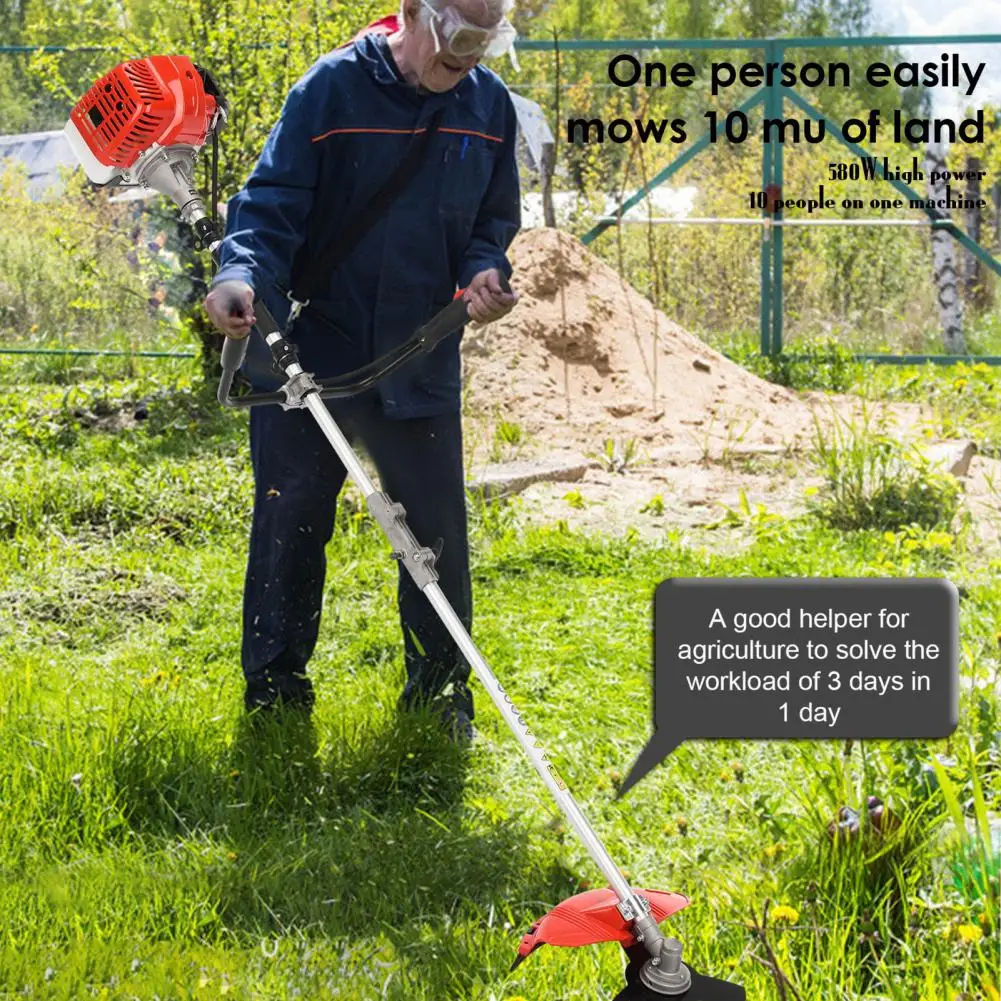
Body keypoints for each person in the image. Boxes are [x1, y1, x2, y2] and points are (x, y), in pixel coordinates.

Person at [204, 0, 521, 736]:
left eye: (485, 39)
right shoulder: (330, 88)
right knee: (290, 522)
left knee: (435, 536)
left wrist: (483, 272)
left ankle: (440, 699)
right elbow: (269, 206)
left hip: (420, 360)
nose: (468, 55)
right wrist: (239, 277)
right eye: (457, 37)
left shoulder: (489, 104)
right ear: (412, 11)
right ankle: (275, 698)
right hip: (311, 354)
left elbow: (492, 223)